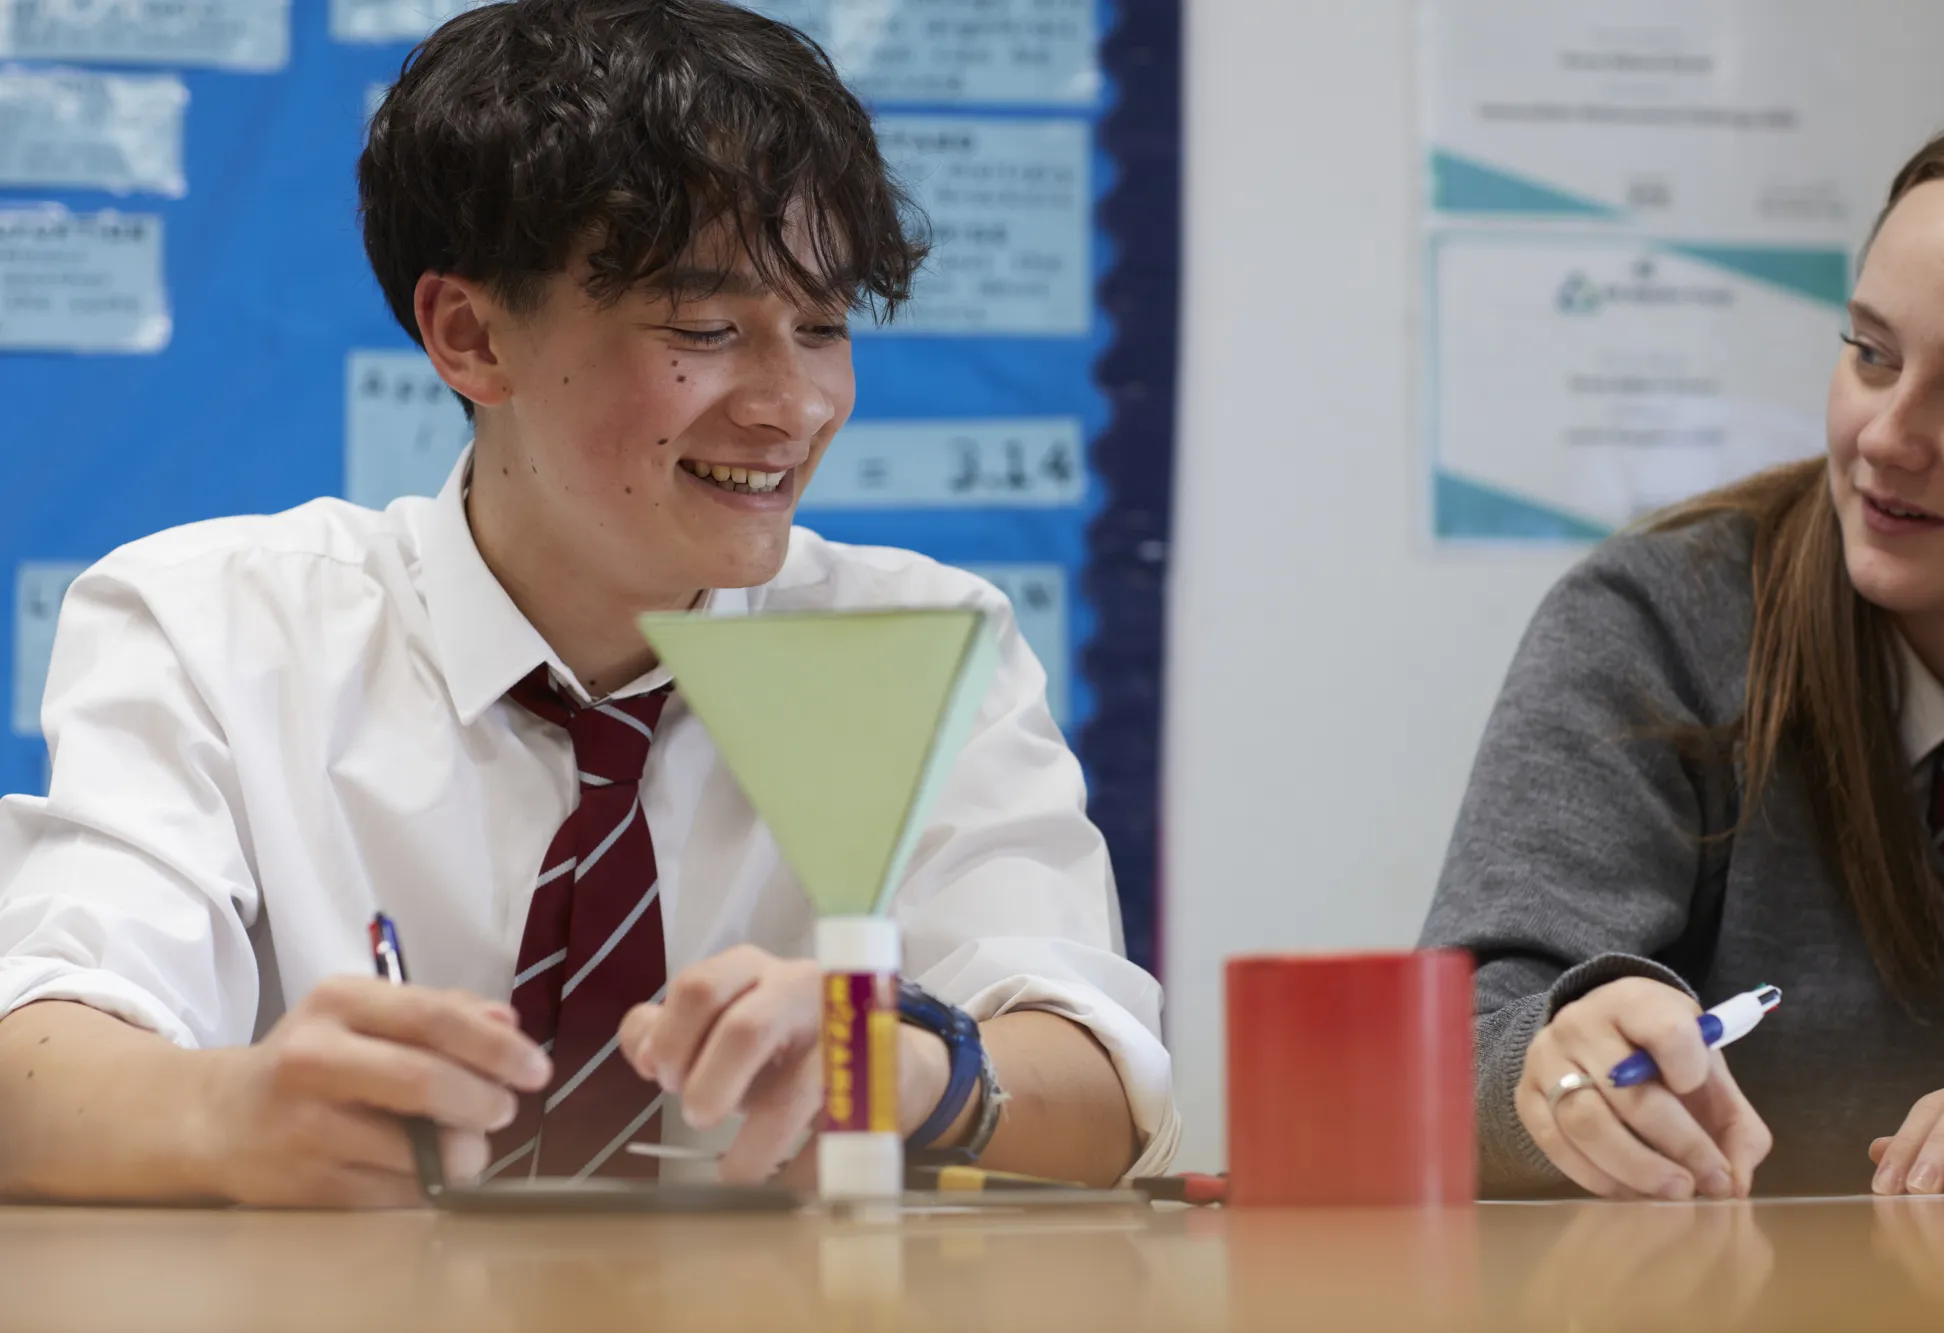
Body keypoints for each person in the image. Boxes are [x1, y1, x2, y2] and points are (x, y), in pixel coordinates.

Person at [0, 0, 1175, 1206]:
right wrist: (231, 1110)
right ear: (470, 336)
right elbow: (32, 1059)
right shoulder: (214, 625)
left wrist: (899, 1067)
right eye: (706, 327)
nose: (793, 404)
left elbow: (1101, 1085)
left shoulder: (912, 641)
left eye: (822, 326)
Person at [1422, 113, 1944, 1199]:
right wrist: (1548, 1067)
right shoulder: (1659, 621)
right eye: (1868, 353)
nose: (1883, 438)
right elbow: (1450, 1054)